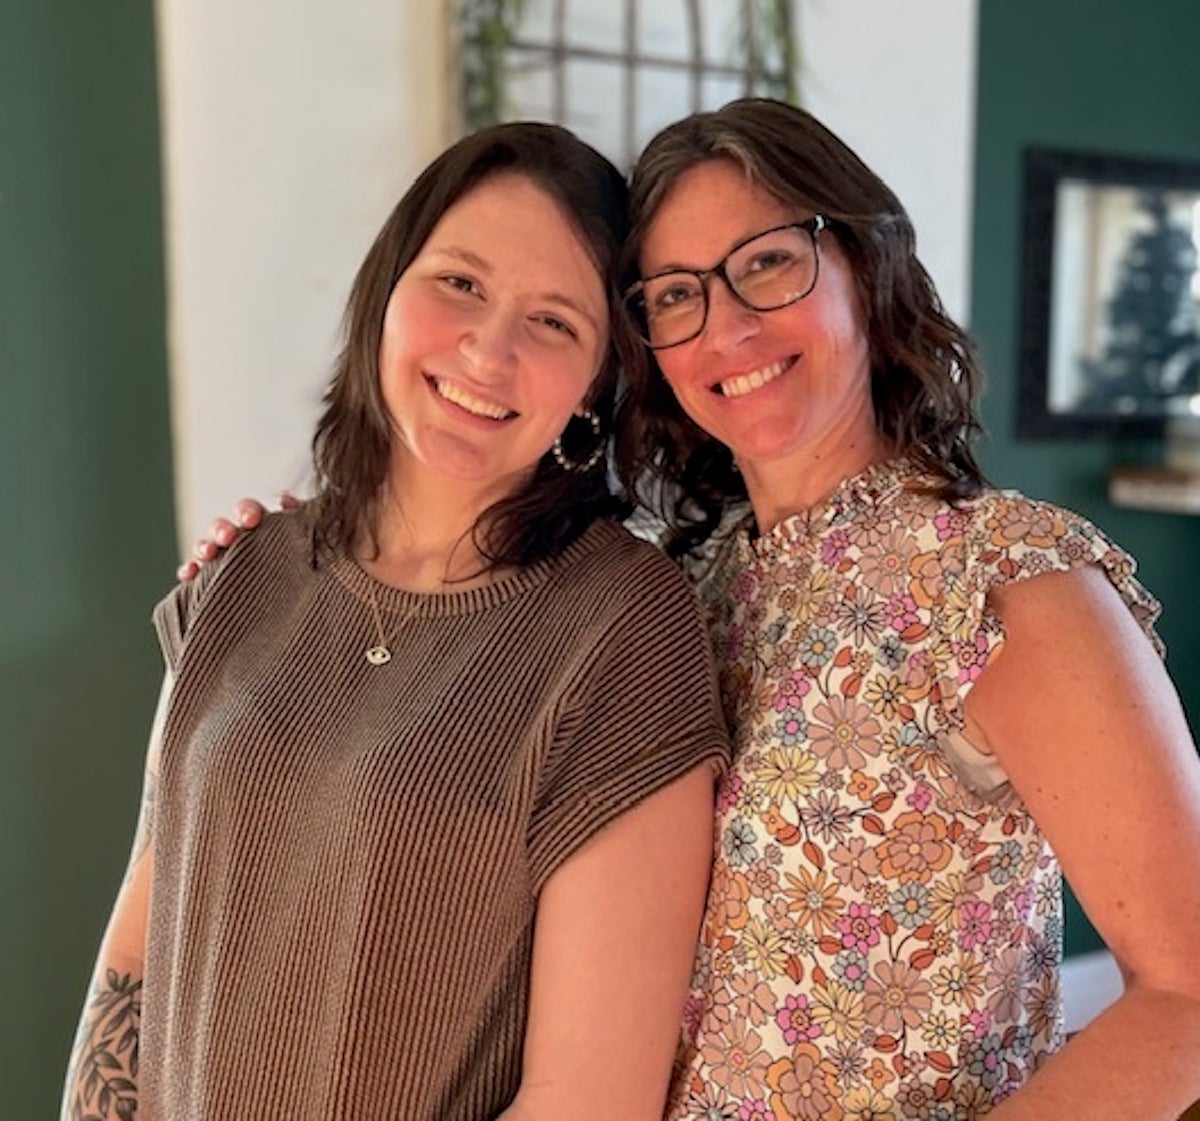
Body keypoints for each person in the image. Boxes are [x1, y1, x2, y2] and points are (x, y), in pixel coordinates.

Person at [184, 99, 1200, 1120]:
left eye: (766, 263)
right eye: (676, 295)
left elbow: (1188, 992)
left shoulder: (1010, 581)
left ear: (864, 262)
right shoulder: (670, 590)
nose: (730, 326)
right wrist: (277, 571)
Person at [62, 121, 730, 1121]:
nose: (487, 350)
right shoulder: (243, 569)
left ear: (600, 382)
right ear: (389, 287)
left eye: (553, 322)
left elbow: (587, 1098)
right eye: (459, 283)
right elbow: (135, 959)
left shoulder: (624, 626)